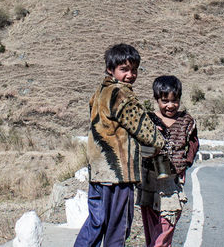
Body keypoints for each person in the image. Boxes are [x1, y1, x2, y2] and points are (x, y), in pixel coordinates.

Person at [74, 43, 167, 247]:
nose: (130, 75)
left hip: (98, 172)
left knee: (96, 223)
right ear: (110, 69)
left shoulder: (99, 92)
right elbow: (144, 129)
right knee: (118, 228)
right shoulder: (121, 94)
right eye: (124, 70)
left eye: (134, 70)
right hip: (118, 174)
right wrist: (162, 142)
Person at [138, 75, 199, 247]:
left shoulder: (187, 121)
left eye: (175, 100)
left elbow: (193, 144)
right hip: (149, 179)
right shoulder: (148, 120)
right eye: (165, 101)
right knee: (152, 225)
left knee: (167, 222)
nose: (170, 105)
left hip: (172, 180)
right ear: (157, 99)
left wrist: (185, 165)